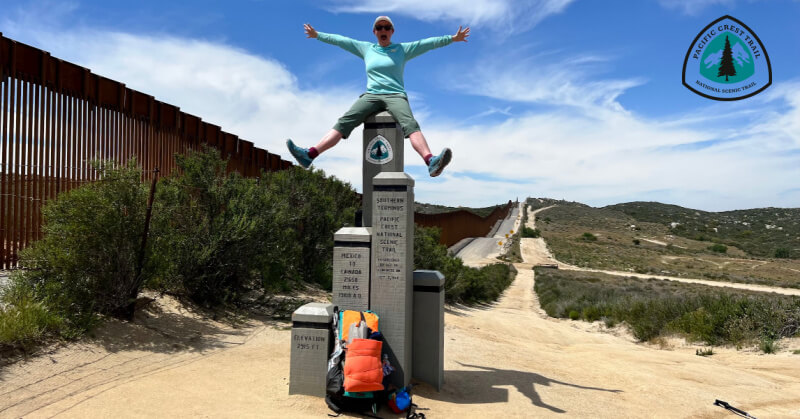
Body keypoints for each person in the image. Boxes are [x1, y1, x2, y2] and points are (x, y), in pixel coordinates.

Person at [286, 16, 470, 177]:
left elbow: (428, 44)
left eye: (387, 28)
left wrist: (452, 39)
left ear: (392, 31)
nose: (383, 30)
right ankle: (309, 155)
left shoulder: (402, 50)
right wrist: (318, 35)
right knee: (344, 122)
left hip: (395, 95)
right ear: (374, 32)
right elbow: (341, 41)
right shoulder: (366, 49)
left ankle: (431, 162)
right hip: (371, 95)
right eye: (380, 28)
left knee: (410, 124)